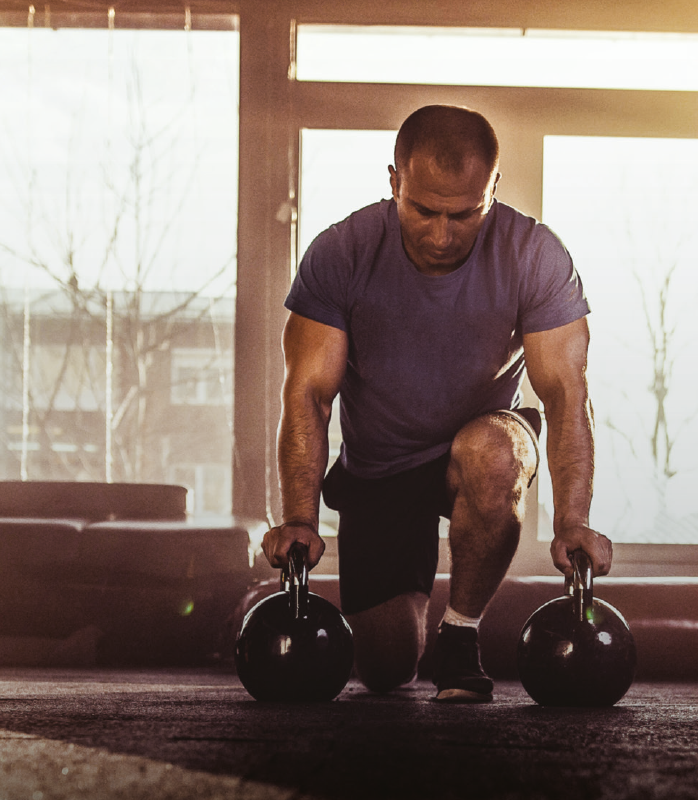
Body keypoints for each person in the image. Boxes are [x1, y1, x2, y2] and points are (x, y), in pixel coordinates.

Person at [262, 105, 611, 702]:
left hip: (477, 442)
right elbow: (309, 396)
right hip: (380, 468)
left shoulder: (534, 255)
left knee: (495, 453)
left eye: (465, 213)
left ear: (493, 190)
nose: (443, 234)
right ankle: (414, 629)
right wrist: (299, 514)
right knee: (387, 668)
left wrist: (573, 521)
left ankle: (461, 636)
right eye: (424, 210)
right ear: (394, 180)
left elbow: (565, 394)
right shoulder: (341, 254)